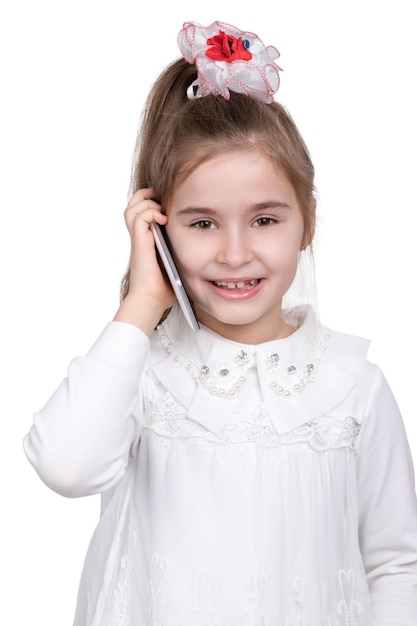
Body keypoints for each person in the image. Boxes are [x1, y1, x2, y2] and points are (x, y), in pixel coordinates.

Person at [24, 20, 417, 626]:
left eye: (265, 219)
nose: (235, 254)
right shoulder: (143, 374)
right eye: (202, 223)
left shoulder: (352, 385)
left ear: (307, 222)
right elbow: (65, 466)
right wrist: (143, 303)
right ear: (158, 229)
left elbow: (395, 565)